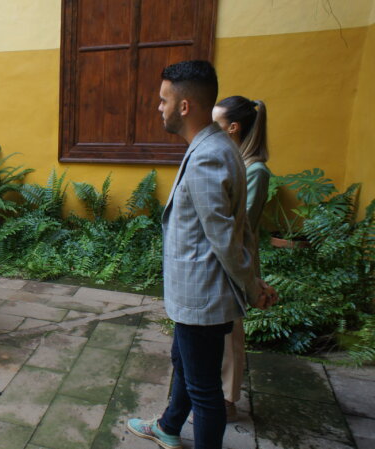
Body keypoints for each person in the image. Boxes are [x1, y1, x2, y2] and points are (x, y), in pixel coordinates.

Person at [126, 60, 277, 449]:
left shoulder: (209, 154)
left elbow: (226, 238)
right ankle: (169, 427)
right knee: (186, 365)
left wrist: (251, 285)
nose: (159, 107)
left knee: (205, 390)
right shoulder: (214, 146)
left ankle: (178, 430)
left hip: (203, 297)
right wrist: (253, 281)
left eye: (163, 101)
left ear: (185, 106)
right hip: (199, 296)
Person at [212, 96, 271, 421]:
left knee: (231, 333)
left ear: (232, 127)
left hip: (236, 261)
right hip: (223, 258)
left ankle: (228, 401)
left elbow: (239, 225)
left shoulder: (255, 170)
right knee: (218, 333)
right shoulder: (232, 161)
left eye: (215, 123)